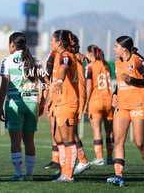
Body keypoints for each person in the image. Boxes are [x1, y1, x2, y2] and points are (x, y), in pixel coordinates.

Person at [107, 36, 144, 187]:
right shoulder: (116, 63)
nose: (114, 49)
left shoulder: (136, 60)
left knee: (139, 142)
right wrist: (114, 94)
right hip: (122, 105)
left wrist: (132, 80)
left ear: (124, 49)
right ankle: (118, 176)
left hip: (138, 105)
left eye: (116, 46)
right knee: (118, 140)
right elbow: (120, 83)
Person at [0, 32, 48, 181]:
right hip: (32, 102)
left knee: (15, 141)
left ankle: (19, 174)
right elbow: (46, 82)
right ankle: (30, 175)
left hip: (15, 103)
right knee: (29, 141)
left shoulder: (7, 61)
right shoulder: (35, 60)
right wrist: (43, 101)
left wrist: (0, 106)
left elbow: (4, 85)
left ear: (12, 44)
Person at [50, 30, 79, 183]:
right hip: (61, 102)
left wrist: (60, 81)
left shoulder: (66, 56)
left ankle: (68, 175)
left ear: (59, 43)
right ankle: (63, 172)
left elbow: (64, 68)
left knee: (68, 140)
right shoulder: (60, 55)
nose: (50, 42)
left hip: (68, 102)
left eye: (52, 40)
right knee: (60, 138)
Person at [84, 45, 114, 166]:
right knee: (109, 131)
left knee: (97, 130)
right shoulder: (107, 66)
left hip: (96, 100)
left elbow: (89, 86)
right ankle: (110, 157)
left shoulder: (90, 66)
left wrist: (86, 102)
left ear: (91, 55)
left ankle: (99, 158)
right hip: (109, 100)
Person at [69, 34, 91, 175]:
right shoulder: (68, 56)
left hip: (76, 97)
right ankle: (69, 165)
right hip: (70, 96)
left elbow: (82, 57)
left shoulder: (76, 56)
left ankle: (82, 161)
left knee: (70, 132)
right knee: (65, 132)